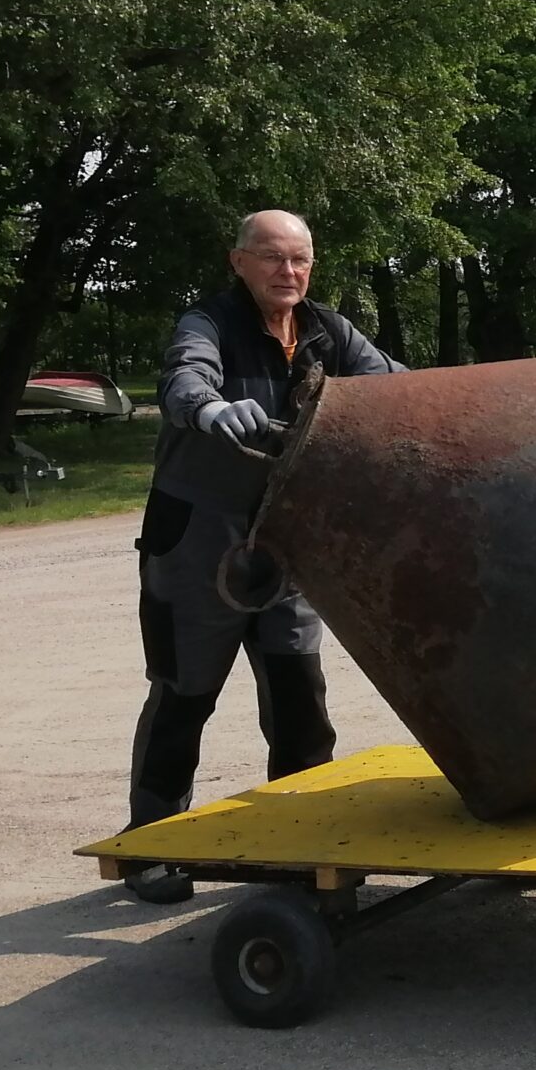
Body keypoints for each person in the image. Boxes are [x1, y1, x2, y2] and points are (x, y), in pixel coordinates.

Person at [120, 210, 403, 903]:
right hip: (197, 540)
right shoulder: (208, 323)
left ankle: (302, 841)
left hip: (288, 538)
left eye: (299, 259)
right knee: (185, 692)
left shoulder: (328, 331)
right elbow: (185, 377)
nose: (288, 271)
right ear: (239, 261)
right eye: (273, 257)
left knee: (298, 694)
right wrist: (209, 409)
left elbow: (392, 386)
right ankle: (152, 845)